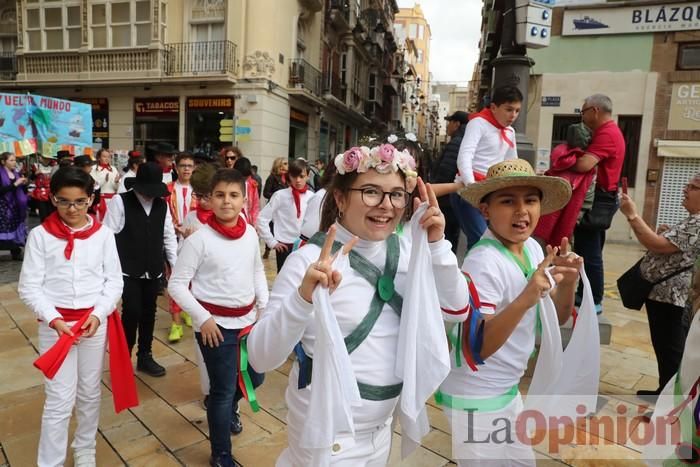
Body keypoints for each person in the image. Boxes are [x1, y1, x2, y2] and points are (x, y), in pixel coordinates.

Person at [248, 142, 469, 465]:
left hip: (381, 430)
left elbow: (457, 307)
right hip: (329, 437)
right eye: (370, 192)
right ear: (339, 198)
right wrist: (302, 300)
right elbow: (260, 356)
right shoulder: (307, 262)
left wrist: (437, 245)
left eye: (396, 194)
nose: (385, 205)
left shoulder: (409, 251)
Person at [437, 159, 580, 466]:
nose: (521, 211)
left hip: (507, 390)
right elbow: (476, 347)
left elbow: (559, 316)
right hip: (477, 396)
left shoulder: (533, 249)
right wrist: (525, 298)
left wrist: (568, 283)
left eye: (530, 200)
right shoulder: (483, 262)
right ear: (485, 210)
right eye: (507, 201)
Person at [18, 167, 128, 467]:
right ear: (52, 199)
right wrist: (54, 319)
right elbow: (29, 287)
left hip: (93, 324)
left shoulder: (103, 235)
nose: (72, 209)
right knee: (58, 399)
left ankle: (84, 449)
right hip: (57, 327)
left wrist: (98, 313)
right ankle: (50, 462)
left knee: (90, 392)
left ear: (91, 199)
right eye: (64, 201)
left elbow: (114, 281)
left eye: (80, 201)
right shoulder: (40, 236)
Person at [168, 168, 268, 467]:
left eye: (234, 195)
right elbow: (176, 284)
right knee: (224, 388)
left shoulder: (250, 233)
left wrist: (263, 306)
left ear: (244, 198)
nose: (227, 201)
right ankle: (221, 453)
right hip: (215, 327)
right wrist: (203, 318)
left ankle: (221, 409)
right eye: (220, 195)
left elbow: (256, 270)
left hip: (249, 321)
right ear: (209, 199)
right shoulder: (200, 239)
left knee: (256, 376)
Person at [618, 173, 700, 400]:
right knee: (665, 346)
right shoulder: (693, 219)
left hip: (672, 296)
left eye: (694, 187)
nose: (685, 189)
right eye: (688, 184)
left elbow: (656, 245)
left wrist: (632, 215)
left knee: (671, 348)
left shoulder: (698, 221)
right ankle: (664, 390)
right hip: (666, 294)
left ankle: (672, 400)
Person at [103, 162, 178, 377]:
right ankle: (123, 358)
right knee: (132, 311)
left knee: (149, 312)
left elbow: (168, 237)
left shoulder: (161, 205)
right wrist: (107, 269)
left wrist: (175, 265)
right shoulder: (121, 202)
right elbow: (108, 236)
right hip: (127, 269)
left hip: (153, 268)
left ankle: (145, 356)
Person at [571, 94, 626, 314]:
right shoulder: (607, 132)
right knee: (588, 248)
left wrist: (564, 159)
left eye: (582, 111)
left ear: (594, 110)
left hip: (599, 199)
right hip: (603, 196)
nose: (582, 116)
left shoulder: (607, 134)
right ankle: (585, 294)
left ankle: (593, 299)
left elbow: (584, 165)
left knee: (589, 250)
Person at [453, 86, 522, 248]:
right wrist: (472, 188)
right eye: (509, 109)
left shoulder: (510, 131)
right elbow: (464, 156)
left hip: (492, 192)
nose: (513, 115)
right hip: (467, 191)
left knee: (489, 241)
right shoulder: (478, 123)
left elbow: (512, 163)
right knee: (481, 240)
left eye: (517, 111)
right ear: (493, 107)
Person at [257, 159, 312, 272]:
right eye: (294, 176)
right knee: (284, 280)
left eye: (301, 176)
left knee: (303, 279)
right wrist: (272, 242)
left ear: (308, 176)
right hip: (284, 245)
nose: (297, 180)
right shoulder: (280, 196)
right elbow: (262, 218)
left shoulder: (312, 196)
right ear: (289, 176)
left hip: (305, 245)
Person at [166, 152, 197, 343]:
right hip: (173, 238)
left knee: (194, 279)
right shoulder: (168, 189)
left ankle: (187, 310)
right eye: (183, 165)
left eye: (189, 165)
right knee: (174, 279)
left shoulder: (199, 189)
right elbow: (164, 214)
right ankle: (175, 322)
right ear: (176, 168)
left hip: (194, 239)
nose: (186, 169)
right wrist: (174, 227)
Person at [431, 110, 470, 252]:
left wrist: (435, 192)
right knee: (451, 237)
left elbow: (445, 171)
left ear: (457, 124)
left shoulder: (456, 143)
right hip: (455, 198)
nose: (447, 126)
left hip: (446, 199)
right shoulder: (465, 141)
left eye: (449, 122)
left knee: (444, 238)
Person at [0, 152, 29, 260]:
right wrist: (15, 184)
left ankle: (15, 250)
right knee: (3, 228)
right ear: (3, 162)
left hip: (15, 205)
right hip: (3, 206)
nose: (14, 162)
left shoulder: (16, 173)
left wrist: (23, 184)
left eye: (14, 160)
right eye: (11, 160)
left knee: (15, 226)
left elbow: (22, 191)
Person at [262, 157, 289, 259]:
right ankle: (268, 249)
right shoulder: (272, 178)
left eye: (287, 164)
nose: (287, 166)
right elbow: (265, 193)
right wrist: (277, 196)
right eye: (284, 164)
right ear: (279, 165)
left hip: (284, 209)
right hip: (274, 208)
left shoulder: (288, 178)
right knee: (271, 228)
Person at [90, 148, 120, 221]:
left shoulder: (113, 169)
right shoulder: (93, 169)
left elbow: (117, 188)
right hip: (100, 199)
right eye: (104, 156)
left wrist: (117, 182)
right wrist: (103, 181)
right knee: (100, 220)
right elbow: (93, 186)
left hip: (112, 199)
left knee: (113, 220)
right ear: (99, 158)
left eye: (108, 157)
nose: (107, 159)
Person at [30, 153, 56, 221]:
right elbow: (31, 178)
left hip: (51, 192)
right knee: (43, 214)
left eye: (48, 158)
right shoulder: (36, 166)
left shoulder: (54, 166)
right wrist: (35, 174)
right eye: (45, 158)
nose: (47, 160)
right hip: (40, 194)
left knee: (52, 213)